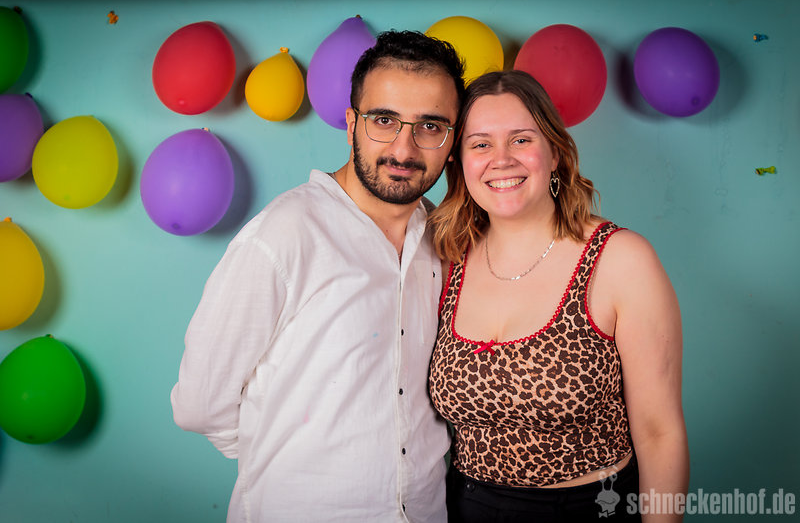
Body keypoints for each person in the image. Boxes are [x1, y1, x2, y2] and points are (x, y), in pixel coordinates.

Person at [170, 30, 465, 522]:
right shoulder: (284, 234)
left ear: (451, 139)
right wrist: (285, 453)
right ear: (351, 125)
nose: (404, 148)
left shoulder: (443, 238)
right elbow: (198, 404)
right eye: (384, 120)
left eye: (430, 126)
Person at [427, 70, 689, 522]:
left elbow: (659, 433)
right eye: (481, 144)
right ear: (459, 162)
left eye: (521, 139)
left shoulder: (620, 259)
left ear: (555, 152)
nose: (501, 159)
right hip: (465, 505)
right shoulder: (447, 259)